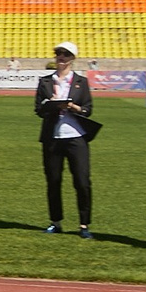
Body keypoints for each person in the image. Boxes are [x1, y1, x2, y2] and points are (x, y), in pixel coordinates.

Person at [33, 41, 100, 238]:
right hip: (52, 137)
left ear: (72, 58)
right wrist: (53, 106)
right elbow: (38, 110)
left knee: (82, 181)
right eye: (59, 54)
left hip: (76, 137)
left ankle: (84, 224)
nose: (61, 57)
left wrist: (73, 107)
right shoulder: (45, 81)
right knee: (53, 181)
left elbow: (88, 109)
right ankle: (55, 221)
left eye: (66, 54)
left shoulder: (81, 81)